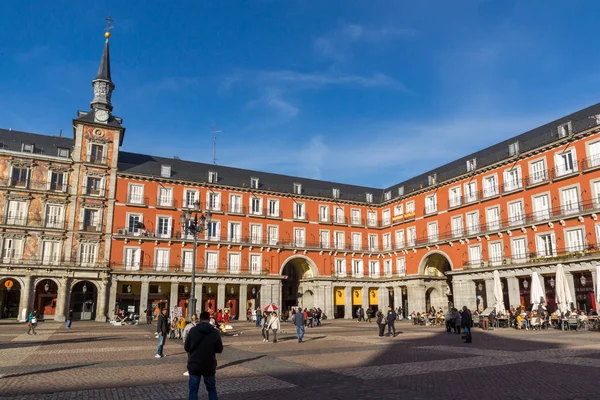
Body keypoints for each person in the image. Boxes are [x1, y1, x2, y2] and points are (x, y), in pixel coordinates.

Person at [185, 311, 223, 400]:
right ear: (209, 319)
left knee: (193, 391)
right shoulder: (215, 332)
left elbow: (186, 348)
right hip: (209, 364)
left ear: (200, 319)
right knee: (211, 390)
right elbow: (219, 349)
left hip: (195, 364)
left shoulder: (193, 331)